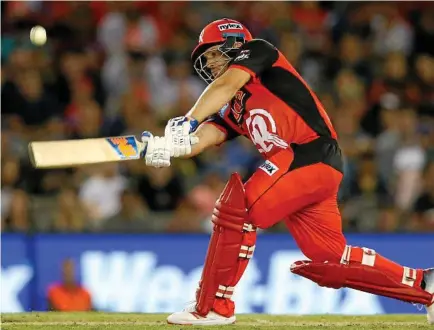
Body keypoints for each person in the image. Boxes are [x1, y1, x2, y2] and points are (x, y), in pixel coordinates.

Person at [140, 18, 434, 326]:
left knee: (239, 209)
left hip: (308, 152)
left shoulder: (259, 51)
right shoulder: (233, 105)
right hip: (308, 169)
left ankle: (215, 305)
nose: (210, 63)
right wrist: (171, 147)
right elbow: (206, 136)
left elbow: (225, 86)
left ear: (235, 44)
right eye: (207, 58)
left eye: (215, 53)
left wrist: (187, 120)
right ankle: (422, 284)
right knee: (329, 256)